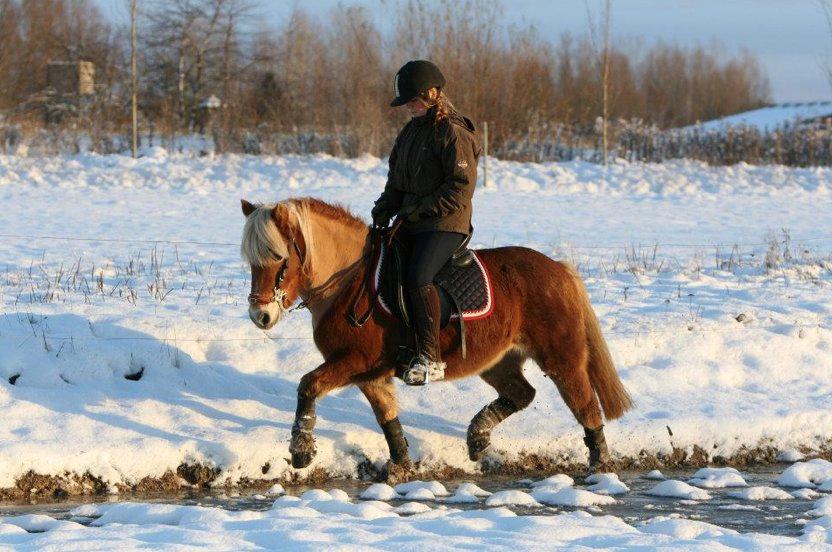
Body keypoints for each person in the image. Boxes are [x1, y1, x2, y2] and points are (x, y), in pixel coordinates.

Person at [371, 60, 481, 386]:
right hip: (414, 220)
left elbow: (460, 189)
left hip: (446, 223)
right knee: (381, 265)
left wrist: (418, 209)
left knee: (419, 276)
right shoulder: (409, 133)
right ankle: (400, 344)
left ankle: (431, 358)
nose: (409, 107)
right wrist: (384, 206)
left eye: (413, 100)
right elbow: (397, 182)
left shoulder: (453, 132)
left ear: (433, 94)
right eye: (406, 103)